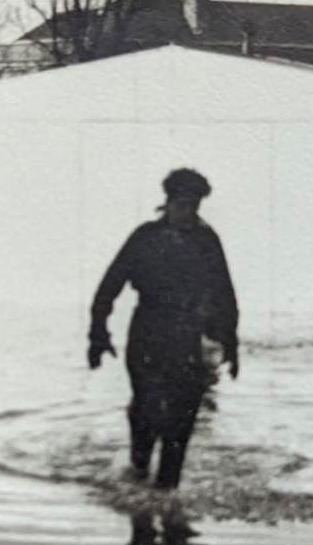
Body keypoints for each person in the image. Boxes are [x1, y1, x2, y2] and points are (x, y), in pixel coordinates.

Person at [88, 168, 239, 489]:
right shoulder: (145, 237)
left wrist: (231, 342)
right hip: (147, 330)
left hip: (186, 334)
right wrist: (97, 334)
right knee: (145, 409)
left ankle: (168, 487)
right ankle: (138, 471)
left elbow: (225, 293)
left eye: (195, 206)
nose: (189, 213)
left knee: (183, 416)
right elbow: (109, 286)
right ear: (168, 202)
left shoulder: (206, 240)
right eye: (183, 204)